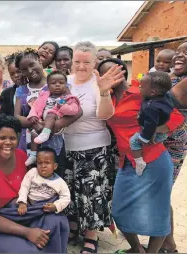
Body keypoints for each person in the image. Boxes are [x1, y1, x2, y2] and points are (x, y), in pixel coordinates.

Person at [98, 59, 185, 253]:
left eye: (111, 71)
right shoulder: (107, 99)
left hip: (154, 160)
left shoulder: (141, 93)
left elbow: (177, 116)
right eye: (103, 73)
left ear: (122, 72)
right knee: (119, 210)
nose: (107, 77)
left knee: (158, 211)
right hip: (127, 162)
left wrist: (156, 131)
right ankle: (137, 248)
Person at [0, 114, 69, 253]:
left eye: (12, 138)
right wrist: (27, 232)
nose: (8, 143)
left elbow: (32, 186)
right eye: (2, 138)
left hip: (24, 213)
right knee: (27, 251)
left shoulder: (21, 156)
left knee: (58, 222)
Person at [63, 41, 125, 253]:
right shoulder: (65, 81)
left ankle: (91, 235)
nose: (81, 66)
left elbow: (105, 115)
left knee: (92, 193)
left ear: (94, 62)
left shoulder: (99, 83)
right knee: (70, 191)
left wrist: (105, 92)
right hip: (67, 147)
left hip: (95, 148)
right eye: (77, 61)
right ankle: (72, 228)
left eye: (86, 62)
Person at [14, 49, 79, 176]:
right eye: (25, 69)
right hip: (28, 144)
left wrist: (54, 125)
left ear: (39, 60)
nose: (30, 71)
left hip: (54, 143)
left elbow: (77, 111)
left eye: (32, 65)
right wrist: (35, 124)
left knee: (54, 182)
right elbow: (16, 117)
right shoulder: (21, 90)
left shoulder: (57, 83)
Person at [159, 40, 187, 253]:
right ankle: (164, 244)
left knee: (160, 193)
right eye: (178, 52)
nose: (178, 56)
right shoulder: (173, 77)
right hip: (159, 139)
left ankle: (168, 245)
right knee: (157, 194)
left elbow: (165, 102)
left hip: (173, 142)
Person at [129, 72, 173, 175]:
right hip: (163, 129)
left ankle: (139, 163)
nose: (139, 88)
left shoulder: (150, 107)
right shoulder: (166, 95)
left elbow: (151, 124)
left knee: (133, 142)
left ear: (153, 92)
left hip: (155, 132)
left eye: (142, 87)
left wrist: (145, 137)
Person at [17, 146, 70, 215]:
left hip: (46, 207)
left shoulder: (59, 182)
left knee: (57, 221)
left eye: (47, 163)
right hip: (29, 205)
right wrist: (22, 202)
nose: (43, 166)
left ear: (55, 166)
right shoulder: (32, 173)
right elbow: (24, 187)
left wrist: (55, 206)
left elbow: (66, 197)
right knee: (13, 212)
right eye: (40, 163)